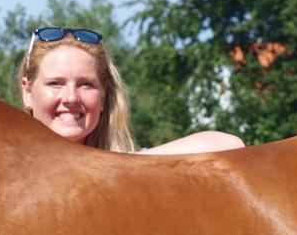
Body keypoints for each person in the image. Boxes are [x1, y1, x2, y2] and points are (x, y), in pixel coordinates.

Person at [18, 26, 243, 155]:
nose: (70, 97)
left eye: (85, 84)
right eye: (55, 83)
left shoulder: (123, 167)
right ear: (28, 92)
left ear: (104, 96)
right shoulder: (7, 171)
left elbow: (230, 145)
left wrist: (122, 165)